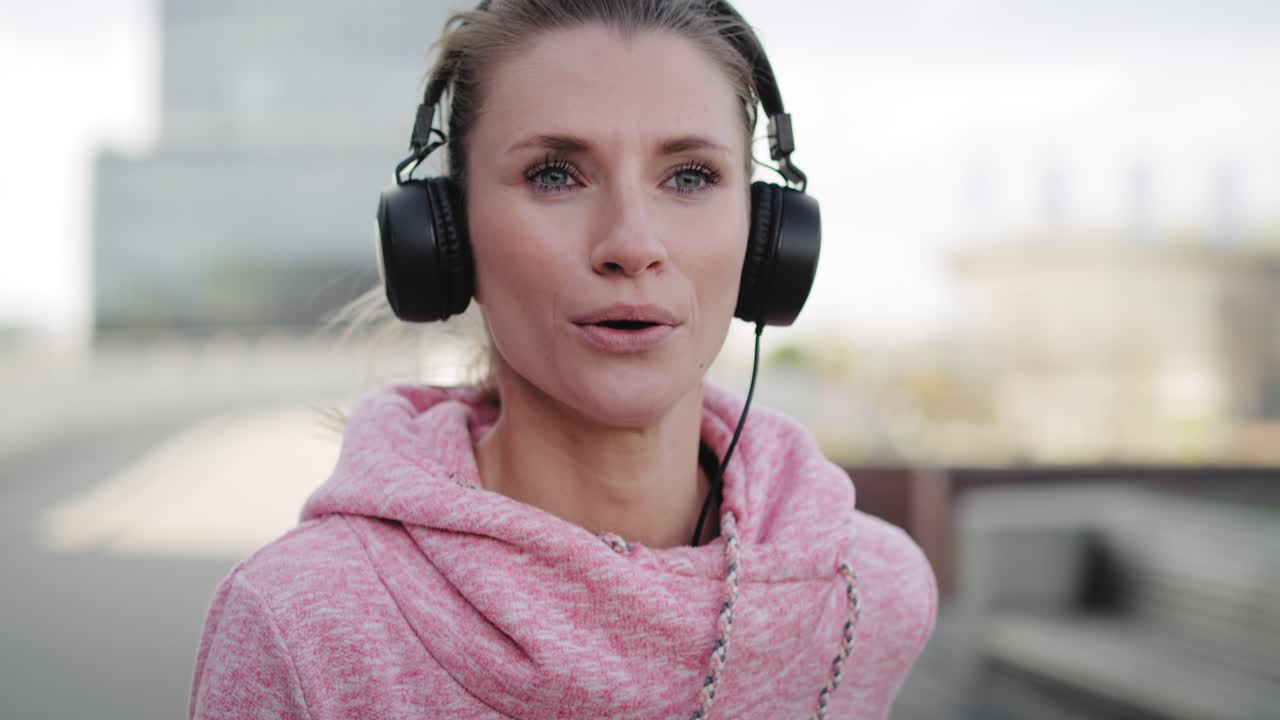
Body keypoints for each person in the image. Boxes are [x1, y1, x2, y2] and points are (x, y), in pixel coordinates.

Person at [189, 1, 937, 718]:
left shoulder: (872, 594)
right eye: (554, 174)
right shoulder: (301, 627)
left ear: (768, 237)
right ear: (445, 237)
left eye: (690, 176)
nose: (632, 244)